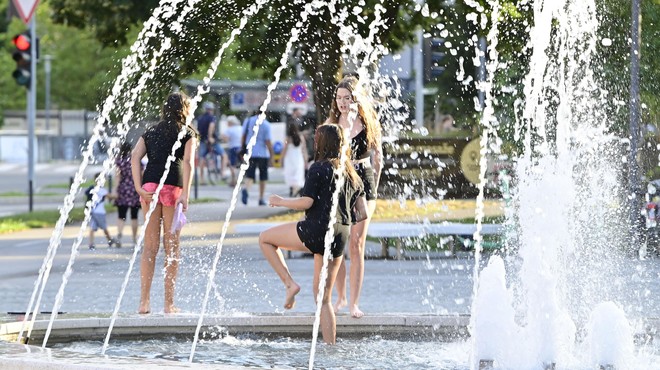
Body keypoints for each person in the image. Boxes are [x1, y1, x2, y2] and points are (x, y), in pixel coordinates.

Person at [259, 124, 365, 344]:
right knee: (323, 298)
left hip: (317, 230)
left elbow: (307, 202)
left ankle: (290, 284)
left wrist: (280, 202)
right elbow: (362, 213)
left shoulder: (318, 168)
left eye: (317, 140)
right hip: (339, 235)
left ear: (322, 143)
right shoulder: (352, 173)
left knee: (265, 239)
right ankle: (330, 348)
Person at [131, 92, 198, 314]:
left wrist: (139, 187)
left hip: (149, 189)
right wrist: (185, 194)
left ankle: (143, 302)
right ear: (184, 109)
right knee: (172, 247)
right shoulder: (188, 133)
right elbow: (187, 163)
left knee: (150, 247)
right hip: (172, 189)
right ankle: (169, 304)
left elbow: (134, 156)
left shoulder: (150, 131)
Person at [327, 76, 383, 318]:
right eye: (338, 98)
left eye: (346, 98)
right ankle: (340, 297)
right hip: (340, 182)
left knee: (357, 243)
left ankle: (354, 304)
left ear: (355, 99)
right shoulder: (331, 122)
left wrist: (375, 190)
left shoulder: (369, 122)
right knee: (338, 240)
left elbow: (378, 158)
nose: (341, 102)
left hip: (364, 179)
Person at [240, 112, 274, 206]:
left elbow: (243, 136)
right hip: (262, 153)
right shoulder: (266, 124)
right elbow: (268, 141)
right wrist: (271, 154)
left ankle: (246, 189)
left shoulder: (248, 121)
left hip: (251, 152)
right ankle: (261, 198)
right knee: (263, 177)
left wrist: (243, 148)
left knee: (250, 175)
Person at [113, 141, 141, 247]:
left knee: (121, 215)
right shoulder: (135, 160)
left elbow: (117, 177)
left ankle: (119, 236)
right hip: (134, 189)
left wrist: (115, 190)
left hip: (123, 190)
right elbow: (141, 173)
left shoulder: (119, 161)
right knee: (134, 216)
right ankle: (134, 239)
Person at [85, 173, 118, 250]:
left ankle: (91, 243)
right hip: (100, 212)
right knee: (104, 227)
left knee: (93, 227)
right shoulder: (102, 190)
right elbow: (111, 197)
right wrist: (117, 194)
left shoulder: (93, 189)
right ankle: (110, 240)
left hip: (93, 211)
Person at [196, 101, 226, 185]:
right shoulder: (211, 117)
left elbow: (198, 130)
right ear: (211, 109)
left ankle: (202, 179)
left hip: (202, 141)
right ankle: (223, 173)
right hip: (211, 141)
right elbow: (211, 126)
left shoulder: (200, 118)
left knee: (202, 158)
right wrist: (210, 137)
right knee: (224, 155)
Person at [281, 119, 309, 196]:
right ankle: (296, 190)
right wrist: (305, 160)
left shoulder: (288, 138)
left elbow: (284, 150)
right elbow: (304, 149)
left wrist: (281, 159)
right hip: (298, 158)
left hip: (290, 159)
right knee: (298, 175)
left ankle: (293, 190)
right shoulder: (300, 137)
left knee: (290, 175)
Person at [222, 115, 243, 187]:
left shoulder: (229, 129)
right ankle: (242, 178)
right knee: (243, 164)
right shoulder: (241, 128)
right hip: (241, 148)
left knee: (232, 165)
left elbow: (225, 138)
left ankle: (233, 180)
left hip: (233, 148)